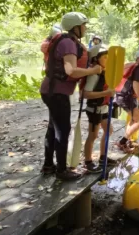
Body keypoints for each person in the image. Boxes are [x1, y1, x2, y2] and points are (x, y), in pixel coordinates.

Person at [40, 12, 102, 180]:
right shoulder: (68, 43)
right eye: (84, 25)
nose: (85, 28)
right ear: (76, 27)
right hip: (57, 93)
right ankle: (61, 171)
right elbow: (71, 70)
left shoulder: (67, 40)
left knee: (53, 129)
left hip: (51, 91)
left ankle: (48, 166)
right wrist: (93, 70)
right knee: (63, 131)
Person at [81, 44, 117, 172]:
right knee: (93, 135)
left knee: (109, 130)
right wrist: (106, 93)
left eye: (109, 58)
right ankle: (88, 162)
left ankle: (103, 157)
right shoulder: (94, 75)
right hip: (94, 108)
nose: (108, 60)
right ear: (96, 59)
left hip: (104, 107)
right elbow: (85, 94)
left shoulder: (106, 73)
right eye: (105, 58)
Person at [114, 49, 139, 152]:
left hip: (122, 95)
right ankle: (122, 142)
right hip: (127, 97)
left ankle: (127, 141)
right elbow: (136, 85)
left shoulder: (131, 65)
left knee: (133, 120)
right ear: (138, 59)